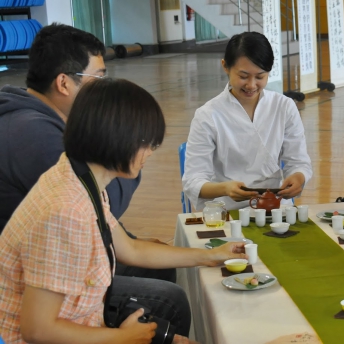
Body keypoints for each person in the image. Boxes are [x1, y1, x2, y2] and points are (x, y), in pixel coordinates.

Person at [0, 79, 247, 344]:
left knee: (174, 319)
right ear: (115, 137)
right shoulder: (66, 211)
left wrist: (209, 256)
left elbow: (131, 249)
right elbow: (37, 330)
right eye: (146, 142)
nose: (150, 152)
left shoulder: (83, 177)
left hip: (85, 317)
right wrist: (121, 338)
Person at [0, 23, 174, 283]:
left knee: (160, 255)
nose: (103, 87)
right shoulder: (33, 134)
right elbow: (103, 200)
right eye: (98, 78)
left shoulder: (36, 119)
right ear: (64, 83)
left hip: (65, 250)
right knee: (165, 287)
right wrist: (127, 151)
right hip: (39, 273)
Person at [183, 32, 312, 211]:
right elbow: (193, 181)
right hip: (227, 210)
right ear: (225, 66)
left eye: (260, 77)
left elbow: (298, 161)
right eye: (243, 76)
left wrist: (298, 177)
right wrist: (225, 189)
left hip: (274, 207)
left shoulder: (284, 106)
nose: (251, 85)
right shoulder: (208, 115)